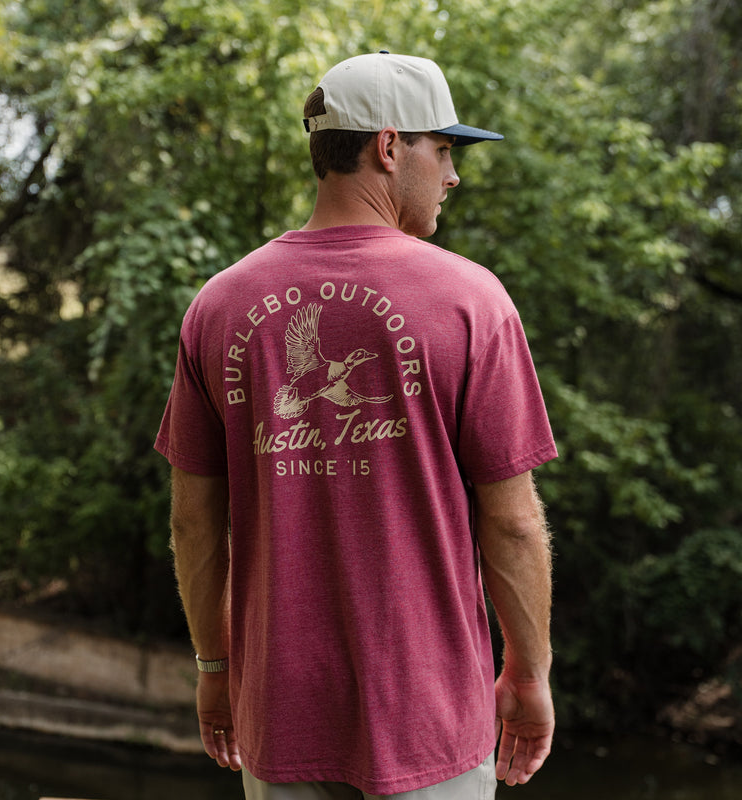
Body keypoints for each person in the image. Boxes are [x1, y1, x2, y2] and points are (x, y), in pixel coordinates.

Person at [155, 51, 557, 800]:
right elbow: (514, 527)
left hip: (279, 716)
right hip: (430, 720)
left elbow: (193, 523)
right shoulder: (471, 301)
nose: (453, 174)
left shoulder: (220, 305)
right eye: (444, 149)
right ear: (388, 144)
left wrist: (215, 669)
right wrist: (528, 674)